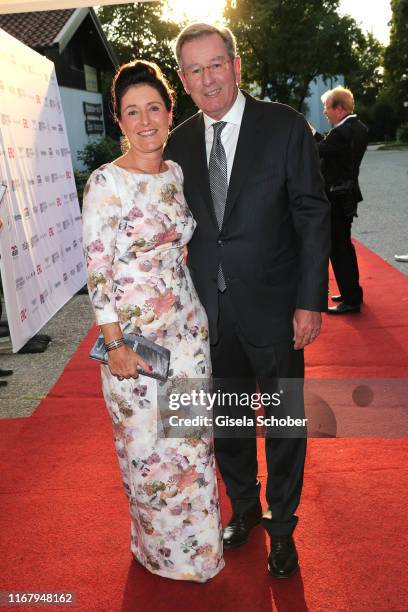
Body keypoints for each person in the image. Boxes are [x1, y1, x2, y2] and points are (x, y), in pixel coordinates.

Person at [165, 23, 330, 578]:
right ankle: (244, 509)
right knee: (228, 422)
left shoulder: (284, 127)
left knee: (285, 423)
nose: (208, 79)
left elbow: (312, 215)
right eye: (195, 70)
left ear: (235, 65)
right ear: (183, 81)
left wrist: (310, 301)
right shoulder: (179, 145)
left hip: (278, 308)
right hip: (208, 315)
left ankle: (282, 526)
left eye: (216, 65)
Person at [82, 60, 224, 583]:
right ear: (119, 122)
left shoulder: (175, 174)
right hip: (134, 344)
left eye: (153, 109)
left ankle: (199, 554)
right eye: (131, 112)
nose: (145, 121)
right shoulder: (106, 183)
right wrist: (113, 341)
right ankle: (159, 554)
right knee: (147, 451)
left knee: (189, 445)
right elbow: (97, 268)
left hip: (187, 333)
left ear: (169, 112)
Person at [314, 86, 368, 314]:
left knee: (338, 248)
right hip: (348, 195)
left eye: (327, 108)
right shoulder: (358, 128)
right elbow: (328, 147)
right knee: (344, 246)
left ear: (339, 109)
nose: (325, 112)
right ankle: (351, 292)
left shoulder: (341, 133)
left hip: (336, 197)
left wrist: (303, 137)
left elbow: (319, 150)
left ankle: (351, 299)